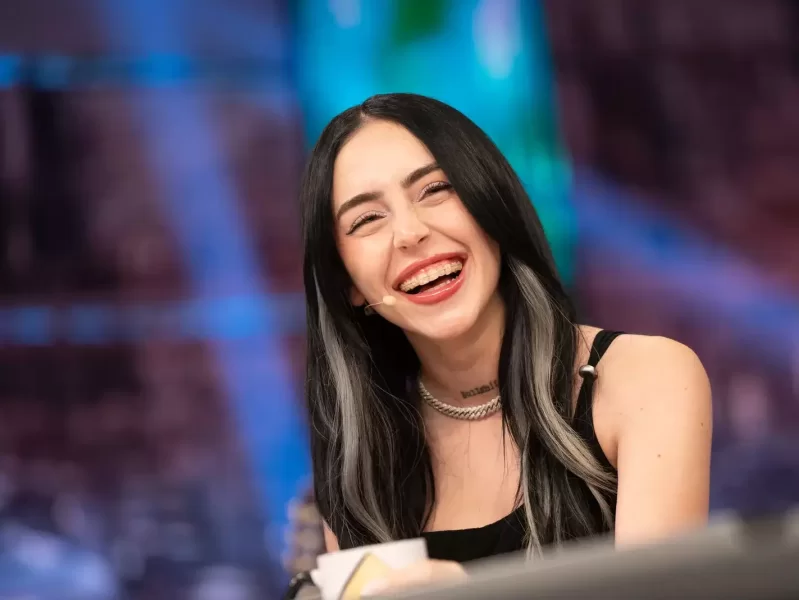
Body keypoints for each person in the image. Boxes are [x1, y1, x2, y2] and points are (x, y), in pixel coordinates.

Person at [299, 93, 712, 595]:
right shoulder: (361, 451)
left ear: (490, 205)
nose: (410, 233)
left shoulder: (646, 378)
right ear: (348, 283)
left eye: (435, 189)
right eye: (366, 220)